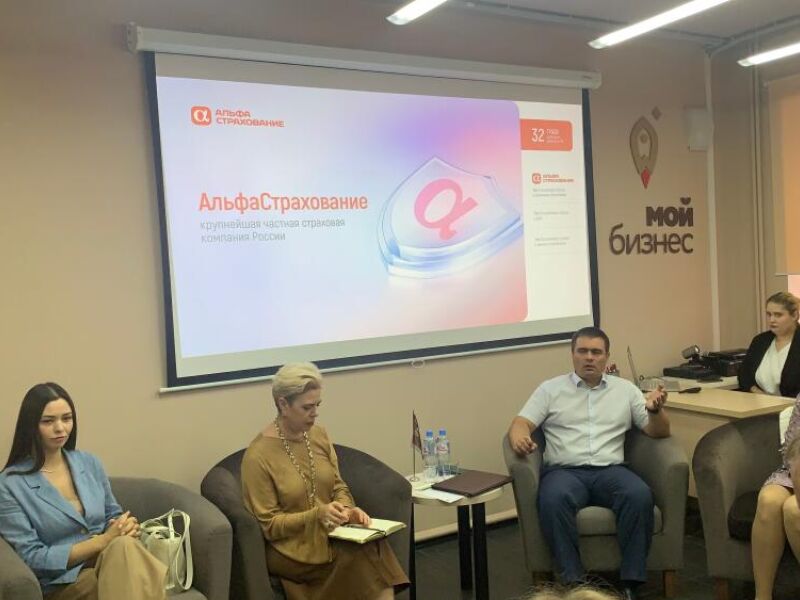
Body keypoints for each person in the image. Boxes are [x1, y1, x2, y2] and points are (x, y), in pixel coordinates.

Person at [507, 327, 670, 600]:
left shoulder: (625, 390)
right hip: (564, 472)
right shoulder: (551, 389)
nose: (589, 357)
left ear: (607, 357)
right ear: (572, 354)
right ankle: (574, 584)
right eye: (582, 351)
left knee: (639, 494)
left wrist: (656, 411)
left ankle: (631, 582)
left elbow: (659, 432)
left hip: (611, 470)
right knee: (553, 499)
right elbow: (520, 423)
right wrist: (519, 438)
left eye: (596, 352)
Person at [241, 362, 408, 600]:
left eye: (317, 405)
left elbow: (338, 485)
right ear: (283, 404)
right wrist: (317, 516)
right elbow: (270, 526)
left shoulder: (318, 435)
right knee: (367, 556)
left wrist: (347, 510)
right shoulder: (258, 456)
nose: (315, 413)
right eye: (307, 407)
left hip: (330, 532)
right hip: (289, 548)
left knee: (373, 543)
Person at [0, 383, 166, 600]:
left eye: (66, 418)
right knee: (128, 575)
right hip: (64, 581)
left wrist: (123, 526)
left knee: (125, 547)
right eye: (48, 421)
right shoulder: (9, 484)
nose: (60, 428)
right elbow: (32, 557)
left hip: (110, 560)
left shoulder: (89, 462)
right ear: (30, 425)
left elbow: (112, 514)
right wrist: (103, 541)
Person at [751, 396, 800, 600]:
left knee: (793, 510)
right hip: (794, 468)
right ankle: (762, 596)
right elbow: (792, 446)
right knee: (769, 501)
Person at [739, 291, 800, 397]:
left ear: (794, 315)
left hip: (792, 405)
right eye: (769, 314)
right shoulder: (760, 341)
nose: (772, 320)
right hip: (759, 402)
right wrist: (758, 393)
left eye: (778, 315)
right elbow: (744, 374)